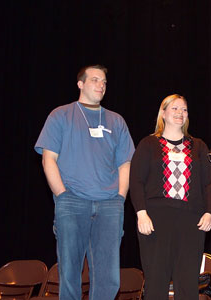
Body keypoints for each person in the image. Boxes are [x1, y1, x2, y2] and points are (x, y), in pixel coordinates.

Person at [35, 64, 135, 300]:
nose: (101, 85)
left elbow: (126, 164)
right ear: (80, 84)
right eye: (95, 80)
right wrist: (62, 194)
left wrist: (120, 197)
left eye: (104, 82)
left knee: (108, 276)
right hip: (71, 201)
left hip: (109, 204)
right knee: (70, 271)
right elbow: (48, 158)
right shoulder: (60, 114)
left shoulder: (116, 120)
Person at [130, 94, 211, 299]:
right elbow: (136, 181)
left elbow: (210, 183)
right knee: (156, 281)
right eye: (175, 108)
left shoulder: (199, 146)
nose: (180, 113)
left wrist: (209, 212)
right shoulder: (148, 144)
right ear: (163, 113)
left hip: (191, 221)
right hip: (155, 220)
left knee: (187, 282)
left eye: (184, 109)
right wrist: (141, 213)